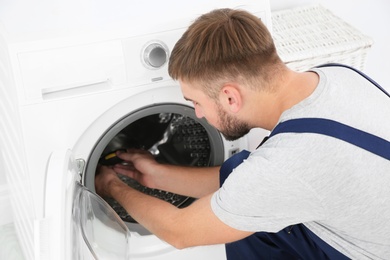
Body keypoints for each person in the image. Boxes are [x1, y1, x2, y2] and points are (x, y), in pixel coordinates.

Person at [95, 8, 390, 259]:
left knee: (248, 226)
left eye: (196, 102)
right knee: (243, 173)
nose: (197, 114)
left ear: (230, 98)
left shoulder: (289, 163)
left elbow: (179, 231)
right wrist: (156, 175)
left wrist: (111, 186)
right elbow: (255, 183)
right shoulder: (335, 75)